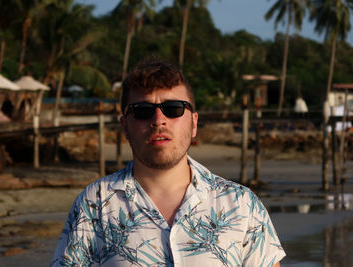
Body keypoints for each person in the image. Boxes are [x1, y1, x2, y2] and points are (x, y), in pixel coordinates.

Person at [51, 59, 286, 267]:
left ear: (194, 123)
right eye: (143, 111)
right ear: (125, 126)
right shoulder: (95, 204)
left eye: (173, 109)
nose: (158, 120)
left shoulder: (241, 205)